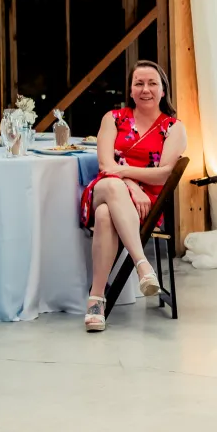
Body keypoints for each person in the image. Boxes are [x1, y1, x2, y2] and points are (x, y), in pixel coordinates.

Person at [80, 61, 188, 332]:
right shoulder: (112, 119)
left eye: (152, 83)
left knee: (106, 215)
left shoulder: (174, 128)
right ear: (130, 89)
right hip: (106, 188)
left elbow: (163, 175)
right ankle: (143, 265)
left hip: (146, 204)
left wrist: (126, 173)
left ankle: (96, 300)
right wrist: (131, 183)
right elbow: (106, 167)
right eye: (139, 83)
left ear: (163, 90)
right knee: (114, 189)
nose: (145, 89)